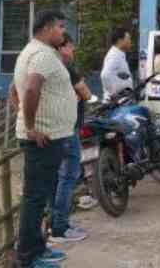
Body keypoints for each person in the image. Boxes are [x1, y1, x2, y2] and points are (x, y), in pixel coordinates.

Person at [13, 11, 75, 267]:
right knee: (35, 197)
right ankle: (28, 257)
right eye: (60, 27)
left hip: (48, 135)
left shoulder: (36, 52)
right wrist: (30, 127)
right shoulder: (41, 55)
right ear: (48, 28)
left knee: (38, 196)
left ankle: (38, 248)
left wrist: (21, 117)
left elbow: (13, 90)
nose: (63, 32)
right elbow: (30, 89)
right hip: (42, 138)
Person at [49, 33, 92, 245]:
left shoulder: (48, 66)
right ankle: (59, 228)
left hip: (53, 130)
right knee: (67, 178)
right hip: (66, 130)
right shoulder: (64, 69)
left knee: (58, 178)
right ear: (62, 48)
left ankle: (56, 224)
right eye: (71, 47)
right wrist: (81, 95)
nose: (73, 51)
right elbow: (84, 92)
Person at [101, 28, 134, 102]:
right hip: (117, 102)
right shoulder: (115, 55)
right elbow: (105, 75)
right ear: (120, 40)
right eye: (128, 39)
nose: (130, 41)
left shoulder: (119, 54)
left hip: (121, 100)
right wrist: (114, 94)